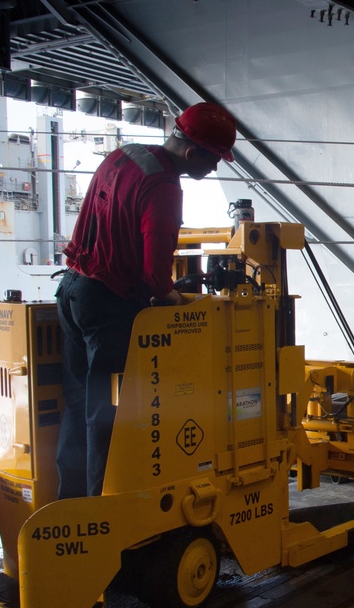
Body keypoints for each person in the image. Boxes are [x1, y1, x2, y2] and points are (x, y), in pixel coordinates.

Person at [55, 102, 237, 499]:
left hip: (71, 292)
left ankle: (68, 503)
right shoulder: (165, 188)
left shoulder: (124, 155)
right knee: (107, 416)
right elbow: (156, 277)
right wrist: (174, 298)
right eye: (214, 160)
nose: (215, 169)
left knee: (80, 404)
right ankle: (100, 510)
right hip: (107, 305)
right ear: (192, 153)